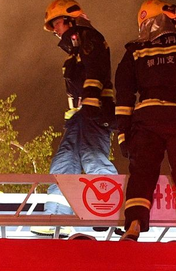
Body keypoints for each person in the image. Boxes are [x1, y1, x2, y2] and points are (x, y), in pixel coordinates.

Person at [114, 1, 176, 242]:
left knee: (142, 172)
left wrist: (123, 134)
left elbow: (124, 95)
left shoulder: (135, 52)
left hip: (147, 120)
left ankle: (134, 226)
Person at [42, 1, 117, 217]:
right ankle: (56, 215)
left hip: (94, 112)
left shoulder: (89, 38)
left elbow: (95, 71)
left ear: (70, 19)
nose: (55, 30)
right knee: (64, 161)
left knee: (93, 158)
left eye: (56, 23)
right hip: (79, 116)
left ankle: (108, 211)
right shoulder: (75, 49)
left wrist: (92, 102)